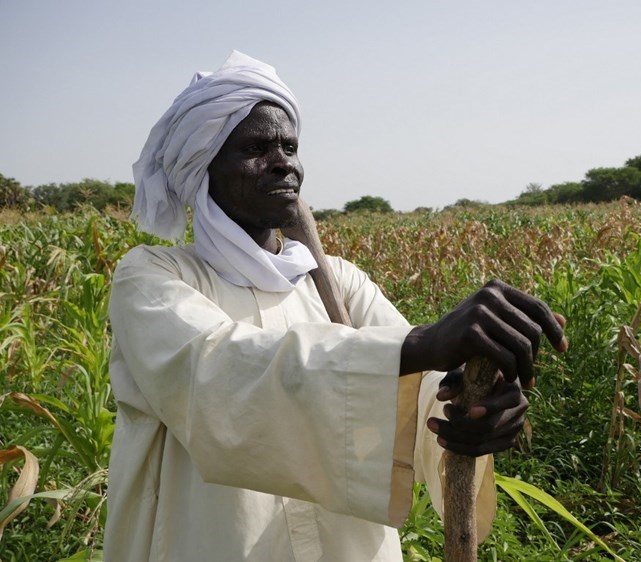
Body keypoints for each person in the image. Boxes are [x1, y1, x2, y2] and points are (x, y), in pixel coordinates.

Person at [104, 51, 567, 562]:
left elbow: (418, 385)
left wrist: (470, 408)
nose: (283, 162)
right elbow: (216, 375)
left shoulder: (336, 281)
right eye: (255, 148)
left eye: (290, 146)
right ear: (201, 168)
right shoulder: (152, 277)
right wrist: (424, 344)